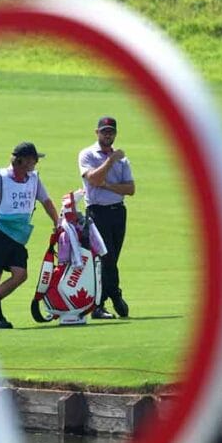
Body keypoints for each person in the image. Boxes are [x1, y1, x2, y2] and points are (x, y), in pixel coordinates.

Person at [0, 142, 58, 330]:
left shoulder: (33, 179)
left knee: (20, 275)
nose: (36, 163)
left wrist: (57, 221)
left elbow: (46, 201)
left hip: (18, 235)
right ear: (22, 161)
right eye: (33, 159)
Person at [78, 116, 136, 319]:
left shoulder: (123, 159)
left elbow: (130, 189)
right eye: (104, 131)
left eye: (111, 131)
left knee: (113, 257)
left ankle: (106, 298)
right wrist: (111, 160)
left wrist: (109, 186)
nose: (108, 135)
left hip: (118, 211)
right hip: (97, 212)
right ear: (97, 132)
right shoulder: (88, 154)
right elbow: (94, 179)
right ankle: (108, 299)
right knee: (105, 258)